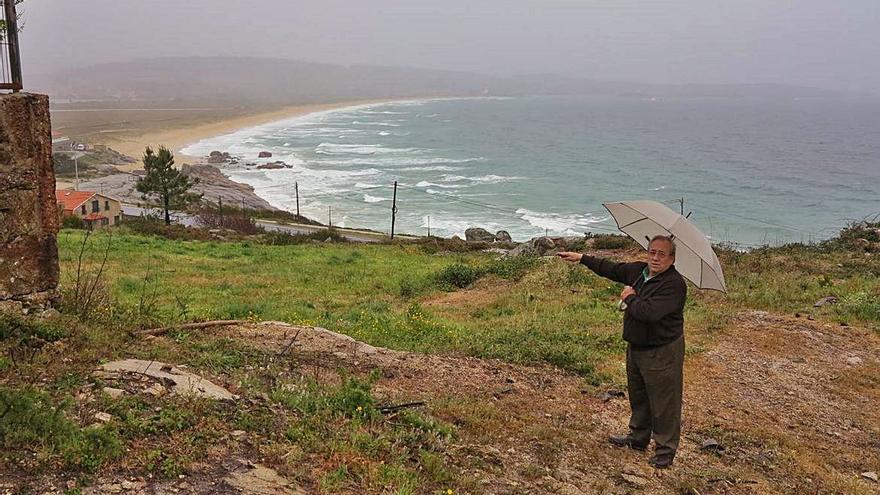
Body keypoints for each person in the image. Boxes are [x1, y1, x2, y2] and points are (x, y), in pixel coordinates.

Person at [557, 235, 687, 469]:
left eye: (662, 254)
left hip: (662, 350)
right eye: (652, 252)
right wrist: (582, 258)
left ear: (672, 258)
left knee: (664, 401)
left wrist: (629, 297)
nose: (655, 258)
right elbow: (612, 269)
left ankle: (665, 451)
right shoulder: (639, 271)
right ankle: (637, 439)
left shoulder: (674, 285)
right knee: (639, 394)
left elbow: (649, 313)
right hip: (637, 346)